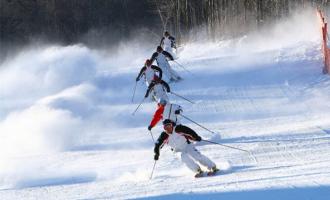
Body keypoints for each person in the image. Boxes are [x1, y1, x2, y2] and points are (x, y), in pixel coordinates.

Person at [153, 119, 219, 177]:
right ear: (164, 128)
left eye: (169, 125)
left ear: (172, 125)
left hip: (187, 145)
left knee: (196, 155)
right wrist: (156, 153)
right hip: (177, 150)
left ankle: (212, 167)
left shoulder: (178, 129)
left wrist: (196, 137)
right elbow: (157, 145)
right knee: (184, 157)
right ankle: (198, 170)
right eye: (165, 127)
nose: (168, 128)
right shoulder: (164, 135)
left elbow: (189, 131)